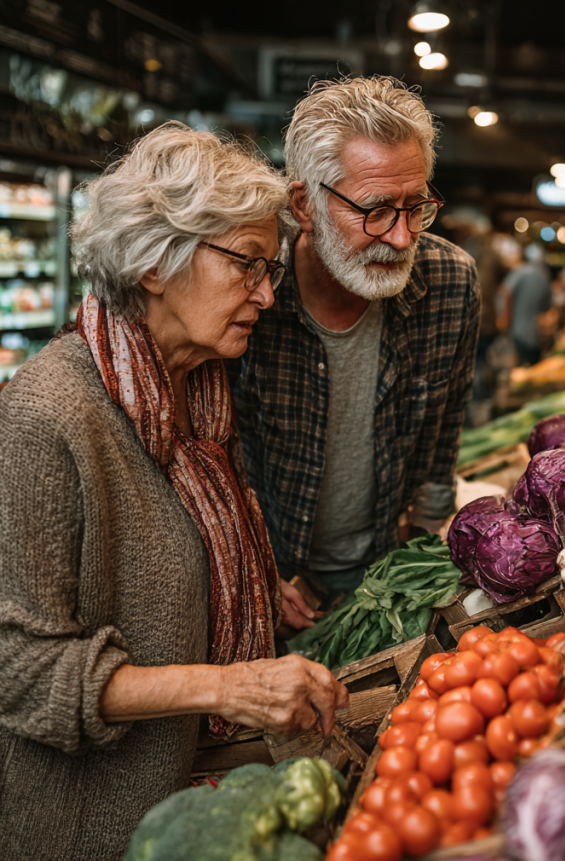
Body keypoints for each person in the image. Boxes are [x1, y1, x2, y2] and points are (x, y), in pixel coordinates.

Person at [0, 123, 348, 861]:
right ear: (156, 263)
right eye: (247, 265)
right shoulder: (48, 415)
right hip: (88, 826)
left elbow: (176, 563)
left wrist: (252, 583)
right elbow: (21, 673)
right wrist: (228, 687)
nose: (264, 293)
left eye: (271, 270)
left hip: (197, 799)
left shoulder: (202, 397)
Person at [231, 77, 480, 598]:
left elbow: (442, 441)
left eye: (416, 207)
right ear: (304, 206)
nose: (402, 236)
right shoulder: (248, 288)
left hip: (384, 573)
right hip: (266, 574)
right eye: (375, 210)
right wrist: (250, 572)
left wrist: (419, 564)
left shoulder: (450, 283)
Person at [500, 242, 553, 366]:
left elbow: (505, 292)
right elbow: (547, 307)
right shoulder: (545, 275)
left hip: (518, 330)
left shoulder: (520, 272)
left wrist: (506, 318)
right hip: (535, 334)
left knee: (518, 368)